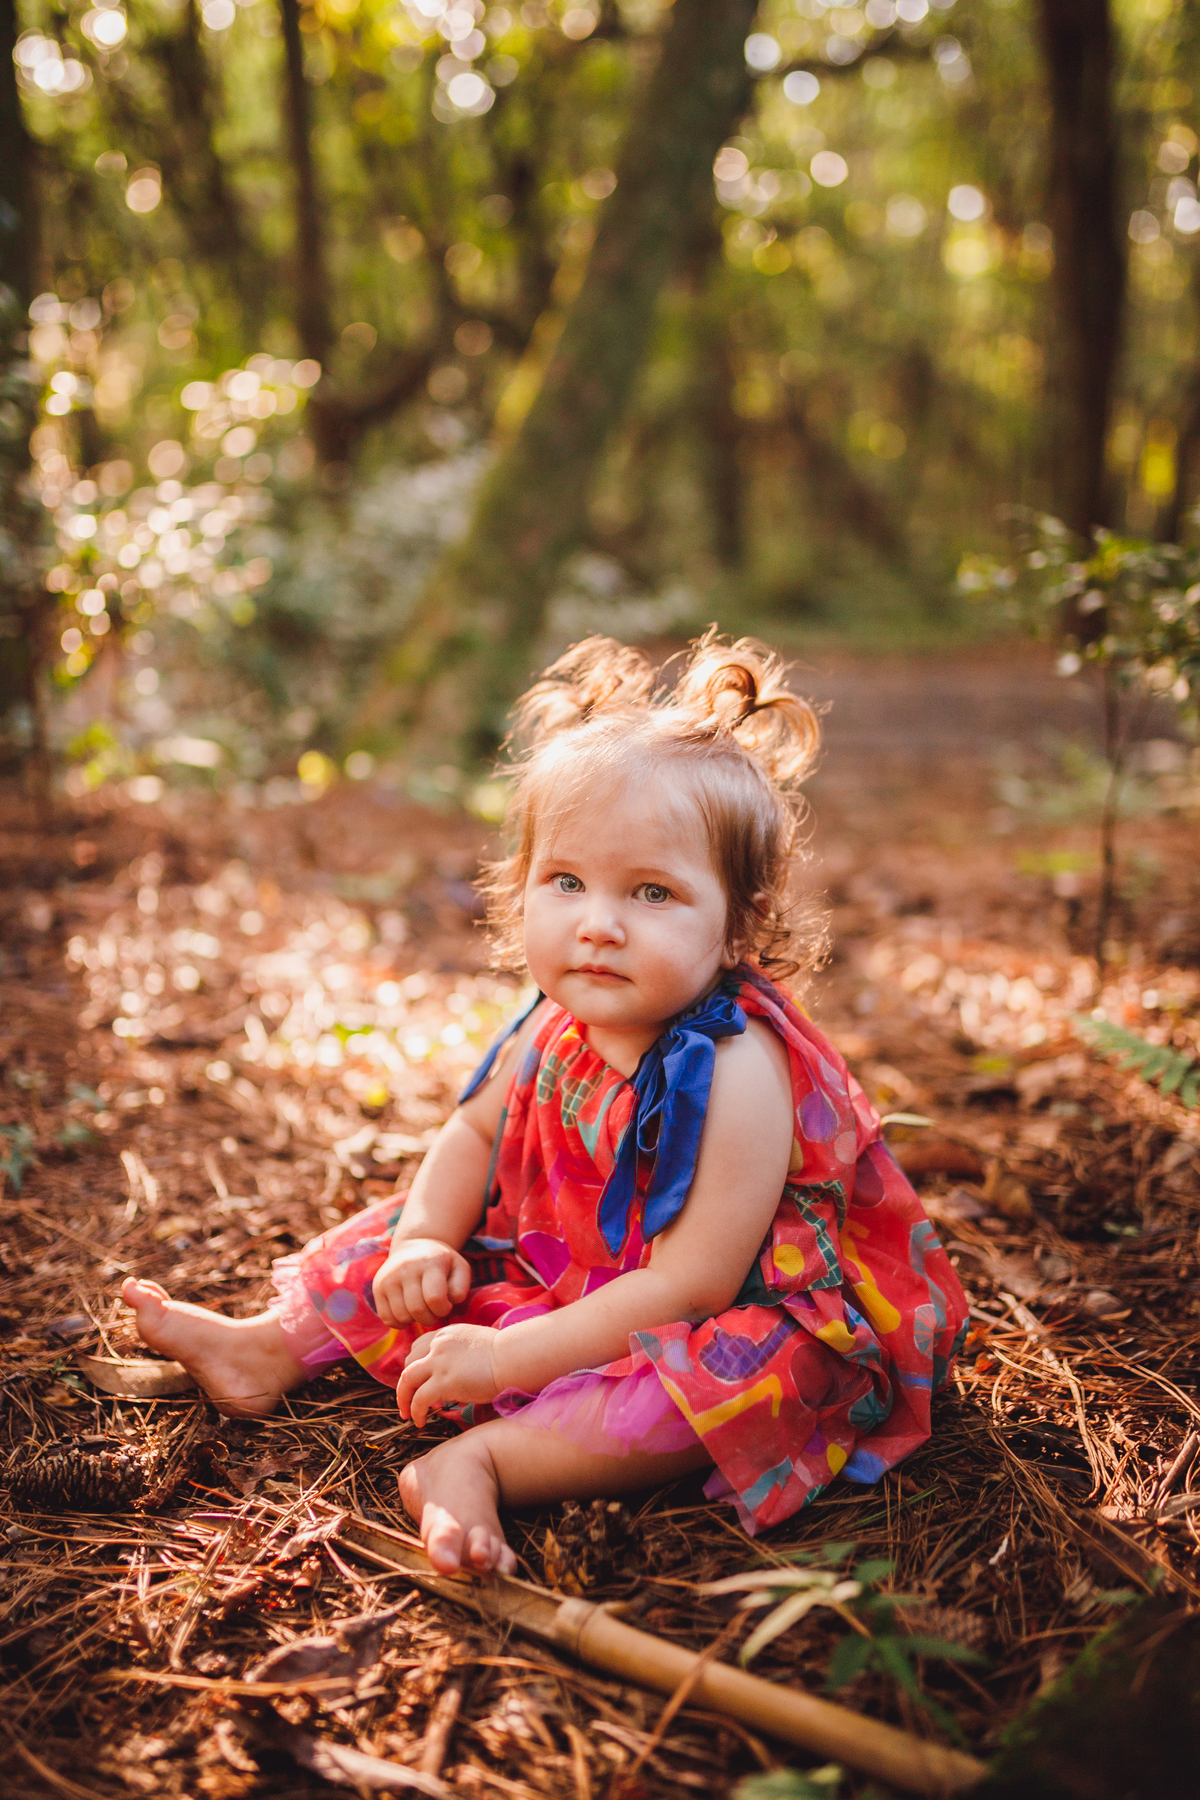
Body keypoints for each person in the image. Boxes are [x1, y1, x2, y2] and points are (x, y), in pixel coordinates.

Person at [121, 633, 968, 1578]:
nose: (597, 923)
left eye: (652, 892)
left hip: (706, 1308)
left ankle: (478, 1462)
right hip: (560, 1267)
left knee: (755, 1381)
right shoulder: (555, 1018)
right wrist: (424, 1245)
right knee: (418, 1226)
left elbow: (694, 1285)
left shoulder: (739, 1070)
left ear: (739, 926)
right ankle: (268, 1350)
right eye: (565, 882)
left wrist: (506, 1363)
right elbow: (475, 1131)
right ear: (519, 888)